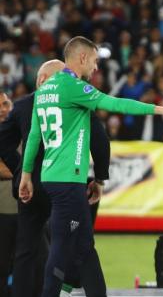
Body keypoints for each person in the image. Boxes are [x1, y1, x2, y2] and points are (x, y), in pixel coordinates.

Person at [19, 36, 163, 297]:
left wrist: (27, 175)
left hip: (53, 176)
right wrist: (161, 110)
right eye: (95, 61)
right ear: (82, 58)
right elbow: (116, 104)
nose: (96, 68)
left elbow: (33, 136)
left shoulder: (44, 91)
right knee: (62, 245)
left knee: (84, 245)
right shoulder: (72, 86)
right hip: (67, 181)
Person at [0, 59, 110, 297]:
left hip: (30, 190)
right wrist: (99, 179)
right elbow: (100, 140)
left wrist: (21, 171)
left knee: (26, 250)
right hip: (65, 186)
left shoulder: (22, 106)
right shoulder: (76, 102)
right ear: (43, 80)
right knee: (83, 246)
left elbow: (2, 141)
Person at [0, 91, 15, 297]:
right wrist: (27, 170)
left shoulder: (20, 131)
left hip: (26, 213)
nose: (3, 108)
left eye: (6, 103)